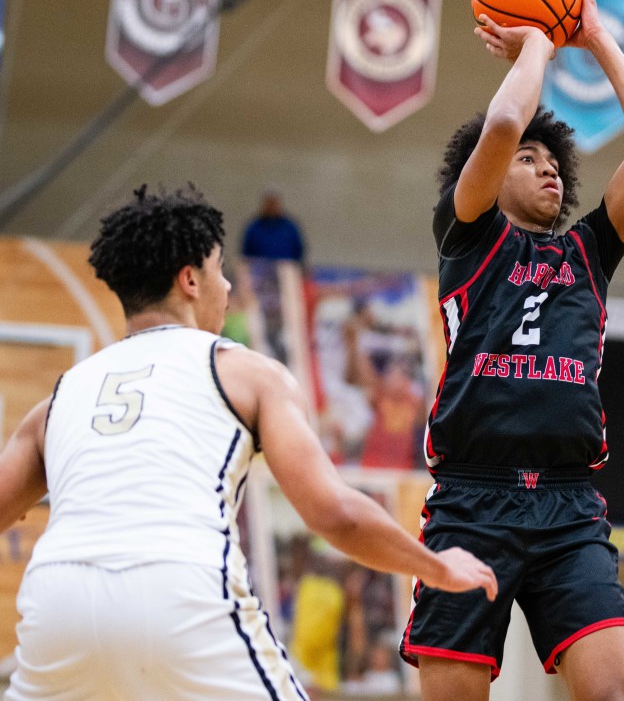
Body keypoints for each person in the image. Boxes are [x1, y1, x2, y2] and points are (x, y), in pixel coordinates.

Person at [0, 185, 497, 701]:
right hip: (180, 587)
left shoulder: (57, 400)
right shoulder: (246, 373)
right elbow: (335, 515)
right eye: (220, 269)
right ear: (190, 279)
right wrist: (437, 567)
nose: (229, 285)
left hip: (57, 600)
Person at [401, 0, 624, 701]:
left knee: (614, 692)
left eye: (556, 163)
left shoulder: (589, 252)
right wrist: (536, 48)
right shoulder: (468, 239)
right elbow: (499, 125)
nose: (548, 169)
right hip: (471, 497)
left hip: (568, 502)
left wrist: (596, 39)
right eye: (530, 159)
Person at [242, 189, 306, 262]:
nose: (272, 207)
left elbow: (299, 252)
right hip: (260, 268)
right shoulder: (253, 228)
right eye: (269, 203)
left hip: (285, 267)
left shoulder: (290, 227)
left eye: (274, 203)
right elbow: (246, 253)